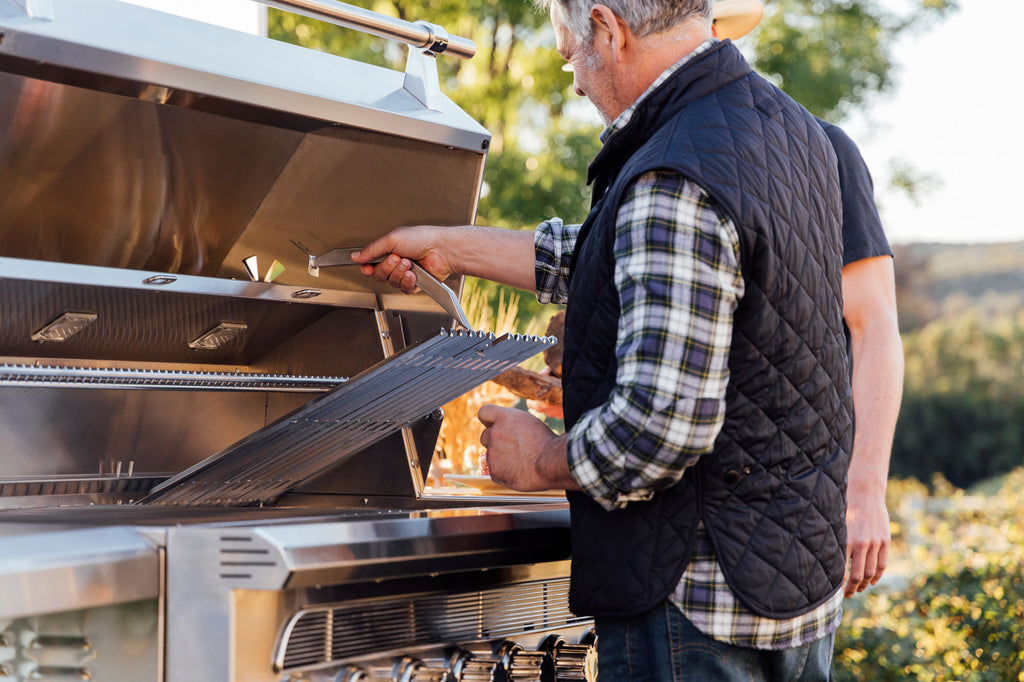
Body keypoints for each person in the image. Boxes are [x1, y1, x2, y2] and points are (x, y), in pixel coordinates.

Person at [354, 0, 852, 678]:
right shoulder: (792, 132)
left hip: (693, 606)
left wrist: (539, 461)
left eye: (570, 54)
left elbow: (657, 430)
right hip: (790, 585)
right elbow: (610, 259)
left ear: (608, 29)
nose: (576, 79)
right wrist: (446, 245)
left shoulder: (673, 178)